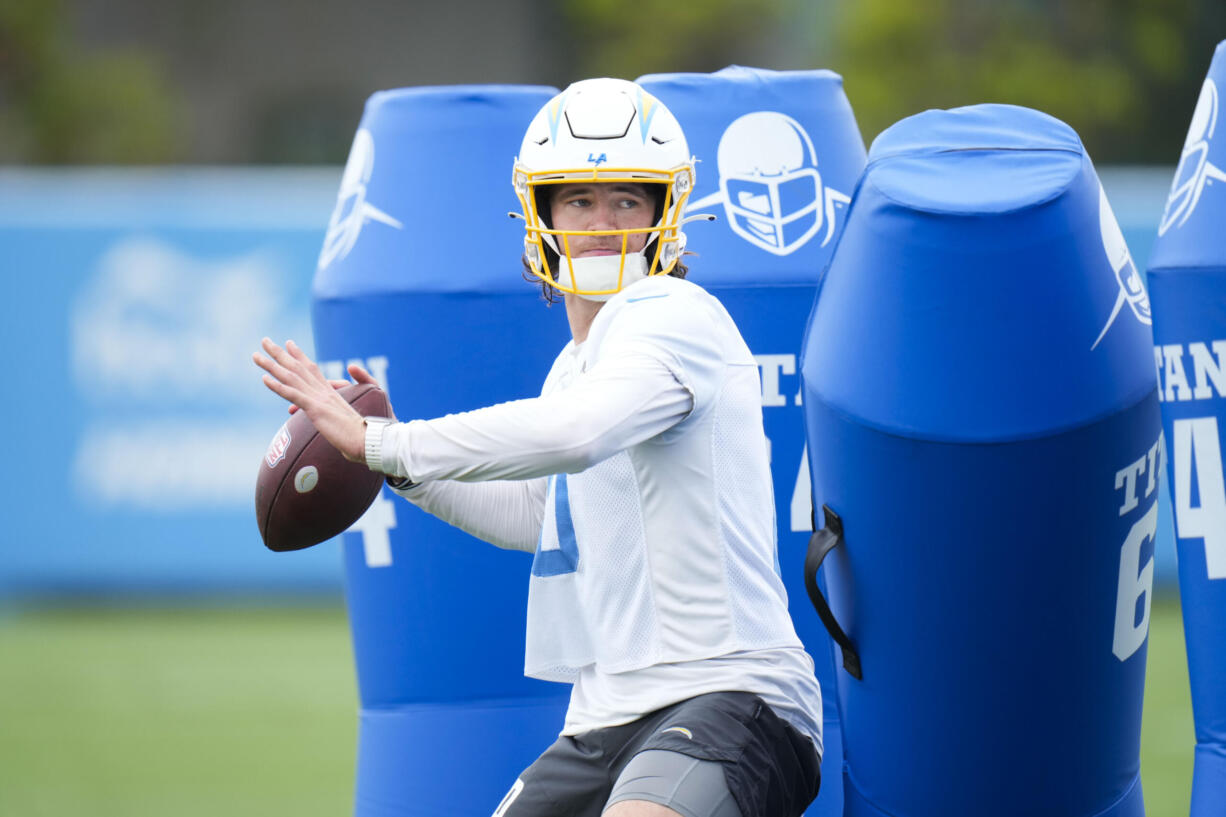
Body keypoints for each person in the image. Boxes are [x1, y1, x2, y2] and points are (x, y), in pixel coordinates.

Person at [254, 78, 823, 817]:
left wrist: (383, 438)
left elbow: (578, 434)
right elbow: (542, 514)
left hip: (732, 695)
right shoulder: (575, 365)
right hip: (605, 715)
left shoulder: (674, 312)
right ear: (542, 213)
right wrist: (389, 465)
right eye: (578, 199)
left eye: (626, 199)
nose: (602, 221)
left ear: (665, 214)